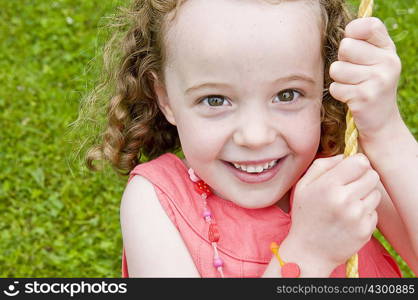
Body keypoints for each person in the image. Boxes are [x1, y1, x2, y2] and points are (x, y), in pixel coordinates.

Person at [83, 0, 418, 277]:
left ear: (324, 84)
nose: (255, 136)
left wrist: (384, 130)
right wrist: (308, 254)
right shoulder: (155, 202)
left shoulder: (342, 167)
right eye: (215, 100)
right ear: (165, 97)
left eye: (288, 94)